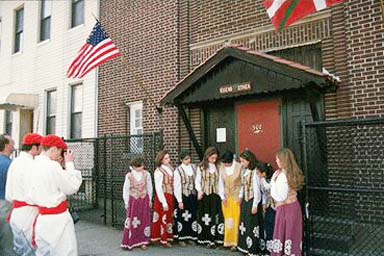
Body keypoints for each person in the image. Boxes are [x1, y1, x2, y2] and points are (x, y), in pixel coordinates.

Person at [27, 135, 82, 256]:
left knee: (43, 252)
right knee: (66, 251)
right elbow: (71, 187)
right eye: (60, 151)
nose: (60, 156)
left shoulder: (32, 165)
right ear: (53, 149)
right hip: (58, 220)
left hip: (42, 218)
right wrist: (70, 164)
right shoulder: (52, 166)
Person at [6, 133, 43, 255]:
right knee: (30, 250)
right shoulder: (30, 165)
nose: (42, 149)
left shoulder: (15, 162)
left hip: (17, 212)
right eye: (41, 146)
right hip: (28, 213)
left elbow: (9, 193)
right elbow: (34, 192)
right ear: (34, 147)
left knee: (20, 249)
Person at [271, 148, 305, 256]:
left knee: (282, 232)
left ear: (282, 160)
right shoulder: (293, 173)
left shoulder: (281, 176)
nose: (276, 161)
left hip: (284, 208)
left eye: (277, 159)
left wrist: (273, 182)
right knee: (292, 233)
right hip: (294, 207)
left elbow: (280, 197)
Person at [237, 150, 267, 256]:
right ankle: (245, 246)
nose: (242, 164)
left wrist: (255, 205)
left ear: (249, 161)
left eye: (243, 161)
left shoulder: (255, 173)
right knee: (244, 224)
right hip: (245, 201)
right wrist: (240, 197)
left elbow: (257, 190)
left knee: (252, 225)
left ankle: (253, 248)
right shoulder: (245, 172)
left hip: (252, 201)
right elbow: (243, 186)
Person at [195, 147, 224, 248]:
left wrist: (221, 195)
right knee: (205, 217)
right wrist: (199, 190)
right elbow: (197, 180)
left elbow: (220, 181)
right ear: (207, 156)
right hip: (205, 195)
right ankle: (205, 238)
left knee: (214, 216)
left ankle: (214, 239)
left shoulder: (218, 167)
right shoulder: (201, 167)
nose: (214, 160)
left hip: (215, 195)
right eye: (212, 158)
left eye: (215, 158)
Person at [121, 157, 152, 250]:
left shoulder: (147, 174)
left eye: (143, 165)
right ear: (134, 166)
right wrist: (126, 202)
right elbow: (125, 189)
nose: (142, 167)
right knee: (133, 221)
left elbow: (150, 187)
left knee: (144, 220)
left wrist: (150, 199)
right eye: (139, 166)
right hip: (133, 201)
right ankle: (132, 240)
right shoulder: (129, 176)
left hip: (144, 200)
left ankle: (144, 241)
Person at [218, 151, 242, 251]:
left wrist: (241, 196)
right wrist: (222, 197)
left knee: (236, 219)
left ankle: (236, 242)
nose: (226, 164)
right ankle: (228, 241)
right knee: (228, 220)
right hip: (227, 197)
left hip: (236, 197)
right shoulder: (222, 167)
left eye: (227, 162)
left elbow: (242, 183)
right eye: (225, 163)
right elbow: (220, 183)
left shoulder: (239, 167)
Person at [173, 150, 197, 246]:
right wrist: (179, 200)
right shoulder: (178, 170)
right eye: (186, 159)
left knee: (192, 216)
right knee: (182, 217)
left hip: (192, 196)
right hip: (183, 196)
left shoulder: (194, 168)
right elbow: (177, 186)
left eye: (189, 158)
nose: (188, 160)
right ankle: (181, 238)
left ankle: (191, 236)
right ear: (181, 160)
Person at [151, 150, 174, 247]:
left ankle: (168, 236)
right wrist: (163, 202)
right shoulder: (159, 171)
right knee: (162, 217)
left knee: (169, 216)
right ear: (161, 160)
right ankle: (161, 238)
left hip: (170, 195)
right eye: (166, 158)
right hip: (163, 196)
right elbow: (158, 187)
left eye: (168, 158)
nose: (168, 160)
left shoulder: (170, 169)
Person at [0, 134, 15, 255]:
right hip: (6, 203)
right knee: (7, 238)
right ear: (5, 145)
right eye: (11, 142)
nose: (14, 144)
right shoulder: (11, 165)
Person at [256, 162, 276, 253]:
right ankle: (268, 248)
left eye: (258, 173)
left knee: (273, 225)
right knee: (268, 226)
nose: (257, 175)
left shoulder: (272, 179)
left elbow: (268, 187)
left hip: (275, 206)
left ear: (263, 173)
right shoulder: (262, 180)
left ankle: (274, 248)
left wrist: (263, 180)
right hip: (268, 205)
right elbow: (264, 193)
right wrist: (264, 203)